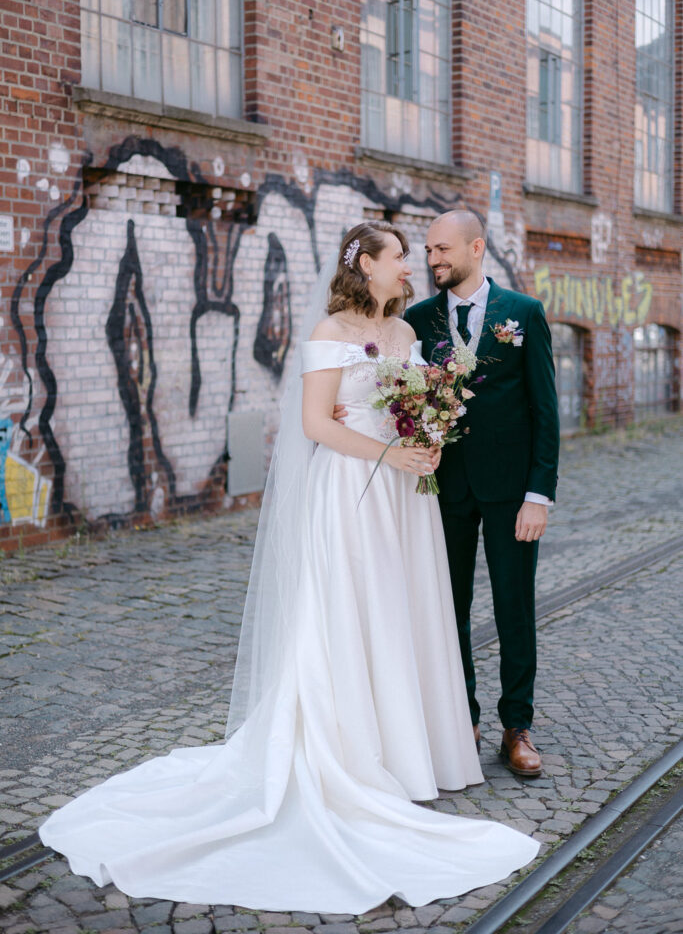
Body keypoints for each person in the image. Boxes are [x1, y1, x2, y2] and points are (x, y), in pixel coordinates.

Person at [39, 221, 539, 913]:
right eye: (400, 257)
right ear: (366, 263)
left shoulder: (406, 333)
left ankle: (412, 747)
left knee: (403, 614)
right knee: (349, 610)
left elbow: (417, 408)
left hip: (405, 496)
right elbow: (316, 424)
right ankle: (357, 752)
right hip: (354, 490)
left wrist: (424, 435)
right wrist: (392, 452)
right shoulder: (329, 331)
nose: (412, 268)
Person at [404, 209, 560, 778]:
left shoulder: (524, 313)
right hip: (441, 490)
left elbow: (546, 410)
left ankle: (516, 725)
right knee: (449, 610)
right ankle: (461, 717)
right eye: (427, 251)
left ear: (476, 246)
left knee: (515, 609)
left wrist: (538, 495)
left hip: (511, 491)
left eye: (443, 249)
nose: (434, 260)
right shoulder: (417, 320)